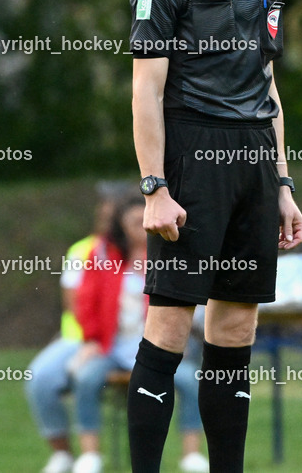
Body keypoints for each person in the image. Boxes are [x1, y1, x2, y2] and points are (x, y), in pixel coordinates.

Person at [128, 0, 302, 472]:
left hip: (255, 161)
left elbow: (267, 82)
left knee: (235, 331)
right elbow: (145, 90)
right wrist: (155, 187)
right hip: (192, 159)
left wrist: (283, 183)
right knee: (170, 326)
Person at [69, 195, 207, 473]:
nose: (138, 227)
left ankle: (191, 454)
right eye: (131, 221)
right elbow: (86, 301)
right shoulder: (102, 254)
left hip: (158, 346)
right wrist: (91, 340)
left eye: (141, 220)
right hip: (112, 345)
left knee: (191, 381)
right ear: (121, 224)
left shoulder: (168, 252)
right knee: (86, 378)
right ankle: (90, 455)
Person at [24, 182, 122, 473]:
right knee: (40, 377)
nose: (106, 218)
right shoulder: (83, 251)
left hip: (122, 342)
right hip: (79, 339)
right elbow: (74, 306)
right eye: (103, 212)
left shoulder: (144, 251)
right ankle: (63, 454)